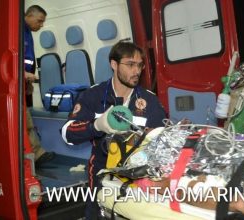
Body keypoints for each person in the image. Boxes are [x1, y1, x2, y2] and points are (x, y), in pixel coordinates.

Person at [61, 41, 167, 219]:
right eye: (130, 65)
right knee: (97, 214)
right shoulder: (93, 95)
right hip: (102, 173)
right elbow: (67, 133)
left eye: (140, 65)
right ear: (114, 64)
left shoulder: (149, 100)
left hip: (138, 176)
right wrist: (96, 125)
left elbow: (162, 141)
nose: (137, 71)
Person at [24, 5, 55, 166]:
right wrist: (23, 74)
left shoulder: (26, 32)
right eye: (39, 21)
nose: (41, 25)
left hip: (23, 83)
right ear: (29, 16)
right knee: (25, 120)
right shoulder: (18, 31)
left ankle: (35, 153)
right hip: (18, 80)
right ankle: (36, 154)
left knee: (26, 117)